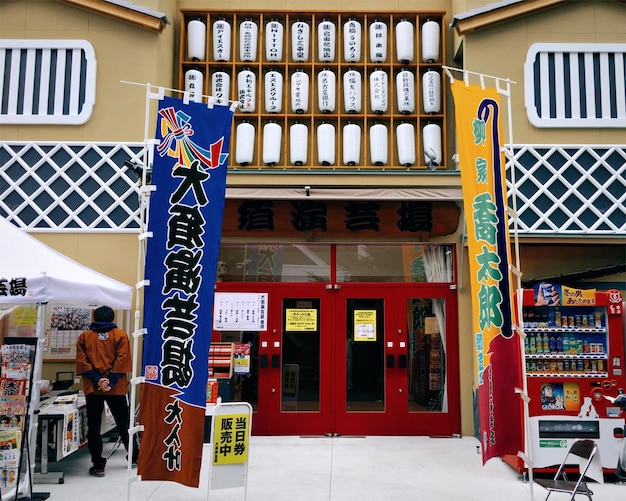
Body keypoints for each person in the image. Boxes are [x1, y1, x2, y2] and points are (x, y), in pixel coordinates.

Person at [76, 305, 138, 477]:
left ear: (95, 317)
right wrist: (109, 381)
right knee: (124, 423)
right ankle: (134, 458)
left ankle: (98, 465)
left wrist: (98, 380)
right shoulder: (120, 335)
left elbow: (82, 361)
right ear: (112, 318)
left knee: (94, 426)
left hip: (93, 387)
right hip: (116, 387)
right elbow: (122, 359)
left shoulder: (85, 337)